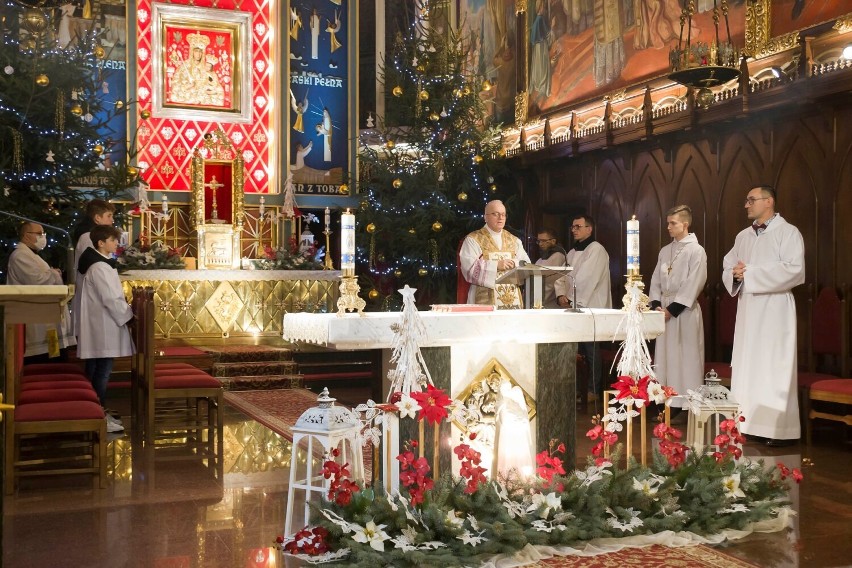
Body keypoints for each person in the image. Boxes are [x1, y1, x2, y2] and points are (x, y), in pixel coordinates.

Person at [723, 185, 805, 447]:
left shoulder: (788, 232)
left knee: (772, 365)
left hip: (775, 309)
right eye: (746, 200)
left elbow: (794, 270)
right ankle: (747, 424)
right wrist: (735, 273)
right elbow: (729, 265)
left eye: (751, 200)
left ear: (768, 201)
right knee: (750, 364)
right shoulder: (743, 236)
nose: (746, 205)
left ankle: (778, 430)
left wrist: (751, 273)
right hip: (749, 309)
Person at [76, 224, 134, 434]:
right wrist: (128, 315)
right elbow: (110, 297)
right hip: (104, 325)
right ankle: (97, 414)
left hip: (102, 324)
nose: (116, 243)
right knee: (102, 371)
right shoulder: (99, 267)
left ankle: (97, 411)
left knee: (99, 368)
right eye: (113, 240)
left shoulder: (100, 263)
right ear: (101, 243)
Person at [649, 205, 707, 409]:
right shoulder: (665, 250)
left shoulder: (696, 250)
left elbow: (695, 282)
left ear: (685, 224)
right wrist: (656, 305)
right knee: (666, 357)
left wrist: (671, 310)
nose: (668, 227)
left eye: (672, 223)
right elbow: (656, 279)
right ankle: (667, 402)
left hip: (684, 311)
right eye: (668, 223)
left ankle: (687, 404)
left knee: (686, 357)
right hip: (663, 311)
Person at [554, 215, 612, 397]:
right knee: (577, 351)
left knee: (590, 349)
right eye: (572, 227)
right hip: (573, 306)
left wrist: (571, 300)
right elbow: (561, 276)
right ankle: (578, 389)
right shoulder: (571, 253)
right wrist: (561, 295)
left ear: (589, 229)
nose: (574, 230)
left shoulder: (597, 250)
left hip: (591, 307)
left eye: (578, 226)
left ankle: (592, 389)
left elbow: (588, 279)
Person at [6, 222, 76, 363]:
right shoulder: (20, 255)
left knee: (55, 357)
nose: (43, 237)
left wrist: (52, 273)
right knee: (43, 359)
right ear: (26, 235)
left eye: (43, 233)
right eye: (39, 233)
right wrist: (55, 273)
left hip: (43, 314)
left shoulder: (31, 254)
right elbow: (37, 280)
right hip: (34, 316)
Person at [460, 200, 531, 309]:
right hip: (484, 298)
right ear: (485, 217)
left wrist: (514, 263)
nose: (500, 218)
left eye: (503, 214)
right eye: (495, 214)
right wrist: (496, 265)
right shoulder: (473, 239)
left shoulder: (514, 240)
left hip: (512, 298)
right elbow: (468, 269)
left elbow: (526, 264)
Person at [72, 199, 116, 335]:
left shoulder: (92, 234)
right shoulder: (88, 236)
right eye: (109, 216)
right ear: (97, 218)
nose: (112, 220)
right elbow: (96, 265)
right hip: (91, 294)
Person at [534, 228, 567, 308]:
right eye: (539, 241)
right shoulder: (541, 258)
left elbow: (553, 281)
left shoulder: (558, 256)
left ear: (553, 241)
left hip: (549, 301)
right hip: (538, 297)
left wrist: (538, 299)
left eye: (543, 241)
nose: (540, 244)